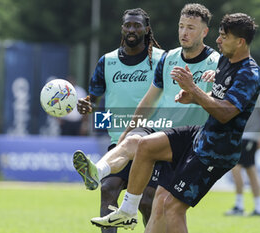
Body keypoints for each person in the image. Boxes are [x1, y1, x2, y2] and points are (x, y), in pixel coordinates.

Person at [89, 13, 260, 233]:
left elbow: (226, 113)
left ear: (240, 42)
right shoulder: (225, 60)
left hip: (216, 150)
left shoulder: (249, 73)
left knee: (171, 207)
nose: (218, 40)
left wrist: (193, 89)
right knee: (146, 148)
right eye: (219, 35)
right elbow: (214, 98)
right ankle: (127, 210)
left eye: (224, 36)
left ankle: (125, 204)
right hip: (199, 135)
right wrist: (192, 96)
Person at [73, 3, 219, 230]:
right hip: (158, 133)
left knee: (162, 205)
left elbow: (224, 102)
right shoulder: (167, 59)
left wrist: (197, 92)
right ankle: (97, 172)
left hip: (189, 142)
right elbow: (148, 102)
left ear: (204, 32)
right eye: (181, 26)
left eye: (190, 28)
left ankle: (128, 207)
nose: (184, 32)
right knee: (114, 181)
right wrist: (125, 131)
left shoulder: (214, 63)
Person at [74, 8, 164, 233]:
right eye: (128, 25)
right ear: (122, 28)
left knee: (147, 200)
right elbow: (92, 100)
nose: (132, 29)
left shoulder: (161, 60)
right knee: (108, 188)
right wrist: (86, 106)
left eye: (137, 25)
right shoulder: (107, 61)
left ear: (147, 29)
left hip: (154, 141)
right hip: (121, 142)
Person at [225, 81, 260, 216]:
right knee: (251, 170)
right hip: (242, 134)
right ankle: (259, 207)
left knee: (236, 167)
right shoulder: (243, 84)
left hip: (250, 135)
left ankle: (239, 206)